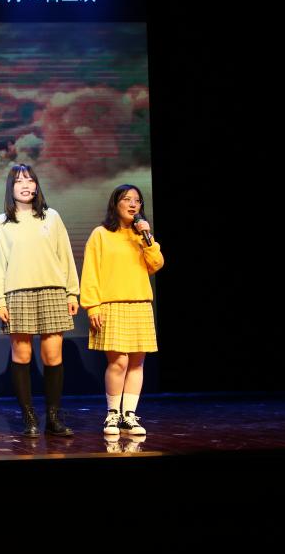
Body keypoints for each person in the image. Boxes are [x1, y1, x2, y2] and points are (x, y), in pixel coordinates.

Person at [0, 165, 79, 437]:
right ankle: (29, 418)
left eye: (30, 180)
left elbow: (65, 255)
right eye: (19, 181)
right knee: (22, 355)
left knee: (53, 355)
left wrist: (72, 292)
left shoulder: (52, 217)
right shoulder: (1, 222)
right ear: (11, 188)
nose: (25, 185)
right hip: (17, 293)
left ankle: (53, 417)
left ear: (37, 186)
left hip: (52, 290)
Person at [80, 184, 164, 436]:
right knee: (119, 362)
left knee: (137, 363)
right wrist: (92, 306)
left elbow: (156, 264)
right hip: (111, 304)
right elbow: (91, 272)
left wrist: (148, 239)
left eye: (137, 200)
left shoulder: (141, 236)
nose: (133, 204)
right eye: (127, 199)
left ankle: (129, 415)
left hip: (140, 304)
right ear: (115, 204)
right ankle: (112, 415)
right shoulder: (101, 234)